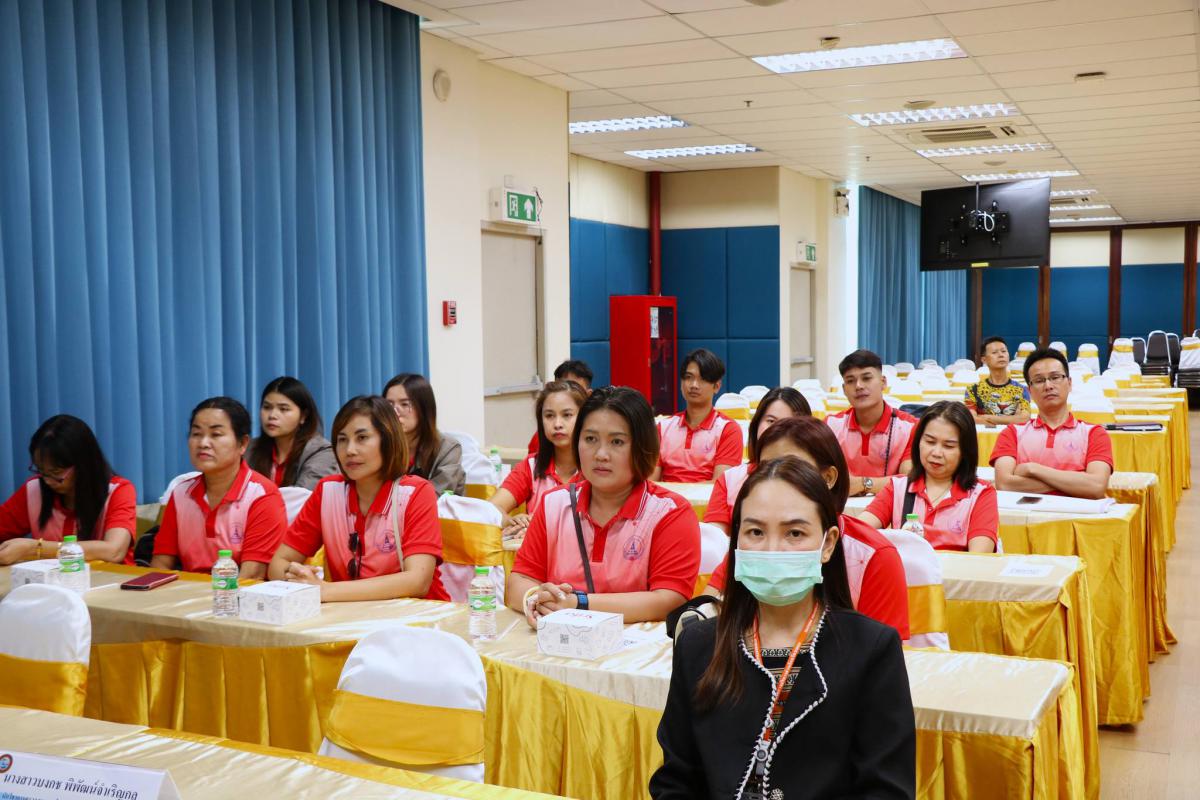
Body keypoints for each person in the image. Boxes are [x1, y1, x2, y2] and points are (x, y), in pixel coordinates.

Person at [650, 459, 915, 799]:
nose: (772, 550)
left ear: (828, 544)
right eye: (755, 532)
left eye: (794, 533)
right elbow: (675, 781)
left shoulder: (871, 649)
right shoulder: (699, 645)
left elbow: (887, 790)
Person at [505, 387, 700, 626]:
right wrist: (536, 599)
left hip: (636, 647)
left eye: (617, 442)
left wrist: (578, 604)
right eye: (590, 439)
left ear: (642, 446)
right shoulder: (553, 504)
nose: (601, 454)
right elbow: (518, 582)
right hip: (559, 640)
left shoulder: (670, 512)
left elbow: (668, 600)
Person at [702, 417, 910, 640]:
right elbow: (706, 610)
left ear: (828, 477)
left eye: (792, 469)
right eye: (765, 469)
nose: (775, 479)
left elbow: (882, 650)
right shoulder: (753, 543)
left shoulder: (873, 556)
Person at [268, 396, 449, 601]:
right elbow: (277, 564)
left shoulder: (415, 493)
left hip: (420, 615)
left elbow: (417, 581)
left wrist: (324, 590)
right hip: (351, 613)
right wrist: (298, 576)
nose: (350, 450)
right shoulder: (328, 491)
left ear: (388, 441)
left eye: (362, 438)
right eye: (342, 440)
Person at [151, 398, 287, 579]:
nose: (203, 443)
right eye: (196, 434)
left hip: (237, 593)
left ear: (243, 444)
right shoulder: (181, 493)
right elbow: (160, 565)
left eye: (215, 434)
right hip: (187, 591)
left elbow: (251, 576)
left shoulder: (262, 495)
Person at [860, 401, 998, 553]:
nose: (936, 453)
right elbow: (857, 531)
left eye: (948, 446)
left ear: (965, 451)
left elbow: (979, 559)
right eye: (930, 442)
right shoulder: (898, 487)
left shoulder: (981, 494)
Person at [0, 415, 136, 565]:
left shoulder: (118, 491)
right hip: (53, 579)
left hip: (114, 578)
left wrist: (34, 548)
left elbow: (114, 551)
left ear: (84, 464)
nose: (47, 481)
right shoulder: (34, 490)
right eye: (42, 471)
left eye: (56, 472)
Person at [991, 348, 1113, 498]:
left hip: (1079, 513)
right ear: (1029, 391)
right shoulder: (1012, 433)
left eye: (1055, 377)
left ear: (1069, 383)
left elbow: (1096, 486)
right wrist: (1075, 482)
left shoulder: (1094, 433)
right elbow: (1005, 484)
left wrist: (1032, 469)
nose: (1048, 386)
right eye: (1039, 380)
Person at [703, 387, 811, 535]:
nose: (777, 429)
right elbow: (715, 538)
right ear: (756, 424)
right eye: (771, 421)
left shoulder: (814, 480)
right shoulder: (730, 480)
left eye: (789, 423)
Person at [492, 381, 586, 540]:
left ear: (584, 418)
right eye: (549, 416)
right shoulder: (531, 466)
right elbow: (491, 508)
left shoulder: (597, 467)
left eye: (567, 415)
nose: (557, 424)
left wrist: (539, 528)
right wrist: (511, 521)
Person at [826, 350, 916, 496]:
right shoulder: (830, 425)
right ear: (844, 389)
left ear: (883, 382)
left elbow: (909, 481)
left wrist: (863, 484)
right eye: (850, 381)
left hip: (891, 508)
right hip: (841, 507)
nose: (859, 386)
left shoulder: (910, 427)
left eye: (866, 378)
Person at [652, 349, 743, 483]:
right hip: (666, 497)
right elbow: (651, 482)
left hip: (707, 498)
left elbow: (720, 485)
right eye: (689, 377)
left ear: (717, 386)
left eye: (702, 379)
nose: (694, 385)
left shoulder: (728, 430)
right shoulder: (662, 428)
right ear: (681, 383)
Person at [245, 377, 338, 490]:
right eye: (267, 407)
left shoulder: (321, 452)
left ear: (303, 416)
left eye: (283, 409)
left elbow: (302, 497)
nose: (272, 415)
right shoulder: (249, 449)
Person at [383, 373, 465, 495]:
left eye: (404, 404)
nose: (394, 412)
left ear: (424, 408)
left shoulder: (448, 449)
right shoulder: (380, 446)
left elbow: (436, 495)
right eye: (389, 405)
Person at [527, 360, 594, 455]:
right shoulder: (540, 438)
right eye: (549, 415)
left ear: (588, 395)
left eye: (575, 390)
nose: (557, 424)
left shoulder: (597, 434)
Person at [965, 337, 1031, 426]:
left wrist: (987, 418)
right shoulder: (973, 390)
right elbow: (971, 419)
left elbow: (1024, 418)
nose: (1001, 355)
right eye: (994, 352)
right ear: (984, 360)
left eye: (1004, 351)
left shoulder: (1022, 389)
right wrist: (1011, 419)